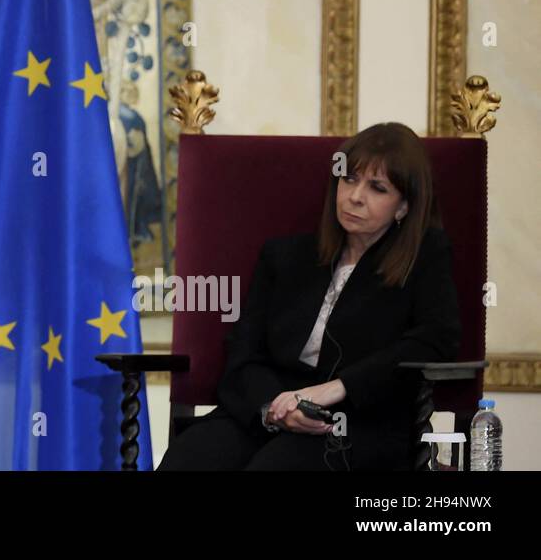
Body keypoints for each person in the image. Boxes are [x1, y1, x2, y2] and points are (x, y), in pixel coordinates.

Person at [158, 122, 460, 471]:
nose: (355, 196)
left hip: (357, 421)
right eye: (348, 179)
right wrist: (274, 408)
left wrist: (337, 388)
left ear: (403, 207)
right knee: (188, 458)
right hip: (268, 411)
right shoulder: (284, 257)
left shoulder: (424, 258)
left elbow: (437, 339)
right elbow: (244, 351)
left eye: (377, 188)